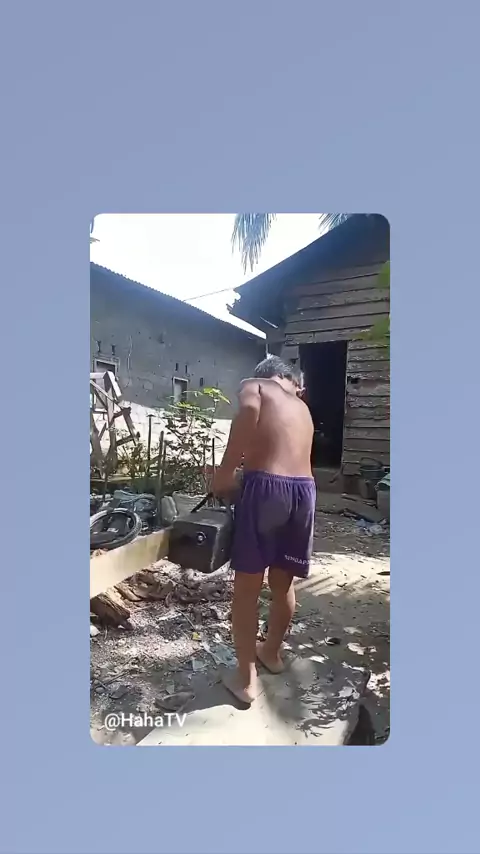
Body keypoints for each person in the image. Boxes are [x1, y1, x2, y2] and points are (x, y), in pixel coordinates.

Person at [213, 356, 315, 705]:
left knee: (247, 590)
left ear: (268, 375)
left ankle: (246, 680)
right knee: (282, 583)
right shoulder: (302, 408)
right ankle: (271, 653)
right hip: (304, 492)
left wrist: (225, 472)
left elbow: (247, 411)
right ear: (291, 381)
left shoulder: (256, 385)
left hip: (267, 488)